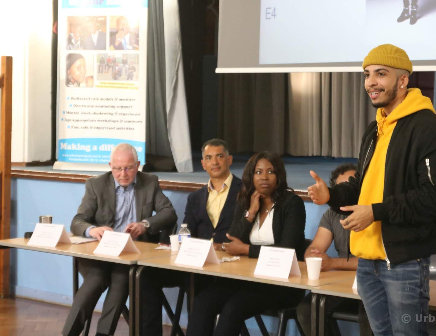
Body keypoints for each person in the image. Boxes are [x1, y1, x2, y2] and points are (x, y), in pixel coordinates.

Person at [308, 44, 436, 336]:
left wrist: (375, 213)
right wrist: (331, 196)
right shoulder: (375, 128)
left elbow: (434, 198)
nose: (371, 82)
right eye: (366, 75)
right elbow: (362, 187)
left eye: (381, 74)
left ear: (403, 80)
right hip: (367, 263)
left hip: (404, 263)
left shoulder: (430, 128)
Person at [62, 143, 178, 336]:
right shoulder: (96, 184)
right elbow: (77, 221)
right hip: (100, 254)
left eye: (129, 168)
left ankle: (103, 334)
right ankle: (68, 333)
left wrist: (145, 224)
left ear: (138, 165)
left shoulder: (149, 182)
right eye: (117, 168)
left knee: (121, 279)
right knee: (95, 281)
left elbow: (169, 212)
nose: (123, 174)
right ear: (110, 166)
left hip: (130, 255)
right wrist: (94, 230)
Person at [186, 151, 306, 336]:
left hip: (280, 284)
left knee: (234, 307)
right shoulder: (246, 200)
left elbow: (286, 250)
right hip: (246, 279)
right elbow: (231, 240)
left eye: (270, 172)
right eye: (258, 172)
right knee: (203, 301)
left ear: (279, 176)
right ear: (251, 176)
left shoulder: (292, 204)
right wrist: (250, 212)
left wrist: (246, 249)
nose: (264, 177)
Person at [138, 139, 242, 336]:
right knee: (145, 276)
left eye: (220, 156)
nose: (215, 162)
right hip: (196, 264)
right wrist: (176, 245)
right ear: (202, 164)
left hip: (229, 266)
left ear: (229, 159)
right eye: (209, 158)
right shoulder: (195, 198)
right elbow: (186, 233)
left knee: (201, 289)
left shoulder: (245, 192)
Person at [297, 163, 373, 336]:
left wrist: (331, 262)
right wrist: (314, 255)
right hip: (342, 285)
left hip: (370, 283)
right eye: (343, 188)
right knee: (307, 309)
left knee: (370, 313)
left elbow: (372, 260)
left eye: (352, 186)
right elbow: (315, 248)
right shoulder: (332, 214)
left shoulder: (372, 213)